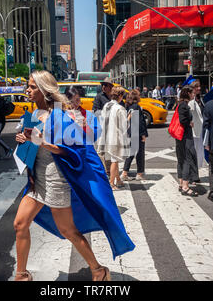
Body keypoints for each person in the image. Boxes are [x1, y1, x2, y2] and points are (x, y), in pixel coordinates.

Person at [13, 71, 135, 281]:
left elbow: (73, 150)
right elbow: (33, 144)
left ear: (43, 89)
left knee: (68, 230)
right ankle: (21, 275)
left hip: (56, 181)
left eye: (32, 87)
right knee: (19, 224)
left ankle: (98, 270)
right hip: (37, 179)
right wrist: (24, 140)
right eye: (28, 86)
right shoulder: (35, 114)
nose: (28, 90)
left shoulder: (59, 115)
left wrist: (42, 142)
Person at [97, 87, 130, 191]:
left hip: (105, 136)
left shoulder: (106, 105)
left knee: (111, 158)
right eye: (122, 96)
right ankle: (111, 183)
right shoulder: (120, 108)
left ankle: (118, 180)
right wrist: (129, 117)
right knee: (114, 160)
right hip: (114, 137)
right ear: (120, 96)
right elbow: (124, 125)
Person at [176, 86, 199, 197]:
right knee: (187, 159)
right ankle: (185, 186)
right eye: (192, 93)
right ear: (188, 93)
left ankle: (181, 184)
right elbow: (182, 120)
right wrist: (189, 123)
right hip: (185, 137)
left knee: (182, 159)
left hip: (181, 136)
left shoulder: (180, 104)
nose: (194, 95)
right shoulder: (184, 105)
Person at [121, 89, 148, 182]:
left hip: (130, 132)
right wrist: (143, 134)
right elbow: (139, 122)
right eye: (139, 95)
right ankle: (139, 173)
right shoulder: (136, 107)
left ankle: (125, 172)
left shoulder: (129, 106)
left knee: (131, 153)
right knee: (140, 154)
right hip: (136, 133)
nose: (140, 97)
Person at [189, 79, 205, 176]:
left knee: (199, 152)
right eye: (196, 87)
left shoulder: (200, 99)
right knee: (193, 152)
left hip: (200, 129)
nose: (199, 88)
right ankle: (192, 174)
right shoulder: (191, 100)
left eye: (199, 86)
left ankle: (195, 173)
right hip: (193, 130)